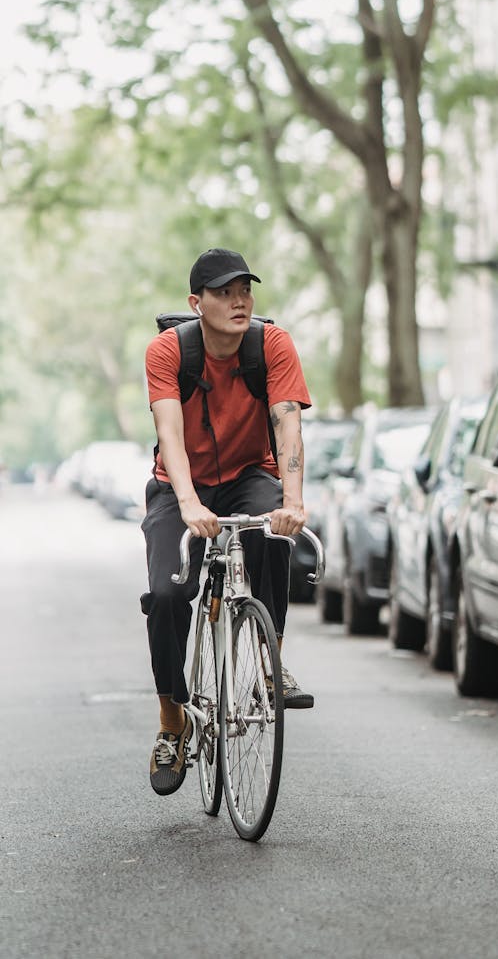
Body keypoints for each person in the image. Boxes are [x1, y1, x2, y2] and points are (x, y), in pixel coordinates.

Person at [140, 247, 313, 796]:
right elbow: (170, 433)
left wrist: (293, 501)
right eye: (223, 292)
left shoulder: (273, 344)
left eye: (245, 290)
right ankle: (174, 719)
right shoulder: (168, 352)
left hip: (247, 474)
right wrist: (189, 505)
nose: (239, 301)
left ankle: (269, 662)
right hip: (179, 485)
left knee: (272, 534)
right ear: (197, 303)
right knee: (168, 594)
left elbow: (288, 425)